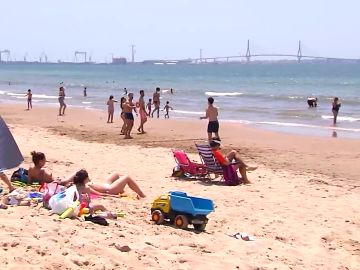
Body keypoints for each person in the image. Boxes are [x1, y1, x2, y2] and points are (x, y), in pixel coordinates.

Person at [68, 169, 145, 199]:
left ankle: (121, 189)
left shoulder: (79, 184)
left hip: (105, 184)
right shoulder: (86, 187)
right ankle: (141, 194)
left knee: (116, 174)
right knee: (127, 177)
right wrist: (114, 196)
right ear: (84, 179)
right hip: (109, 189)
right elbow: (100, 194)